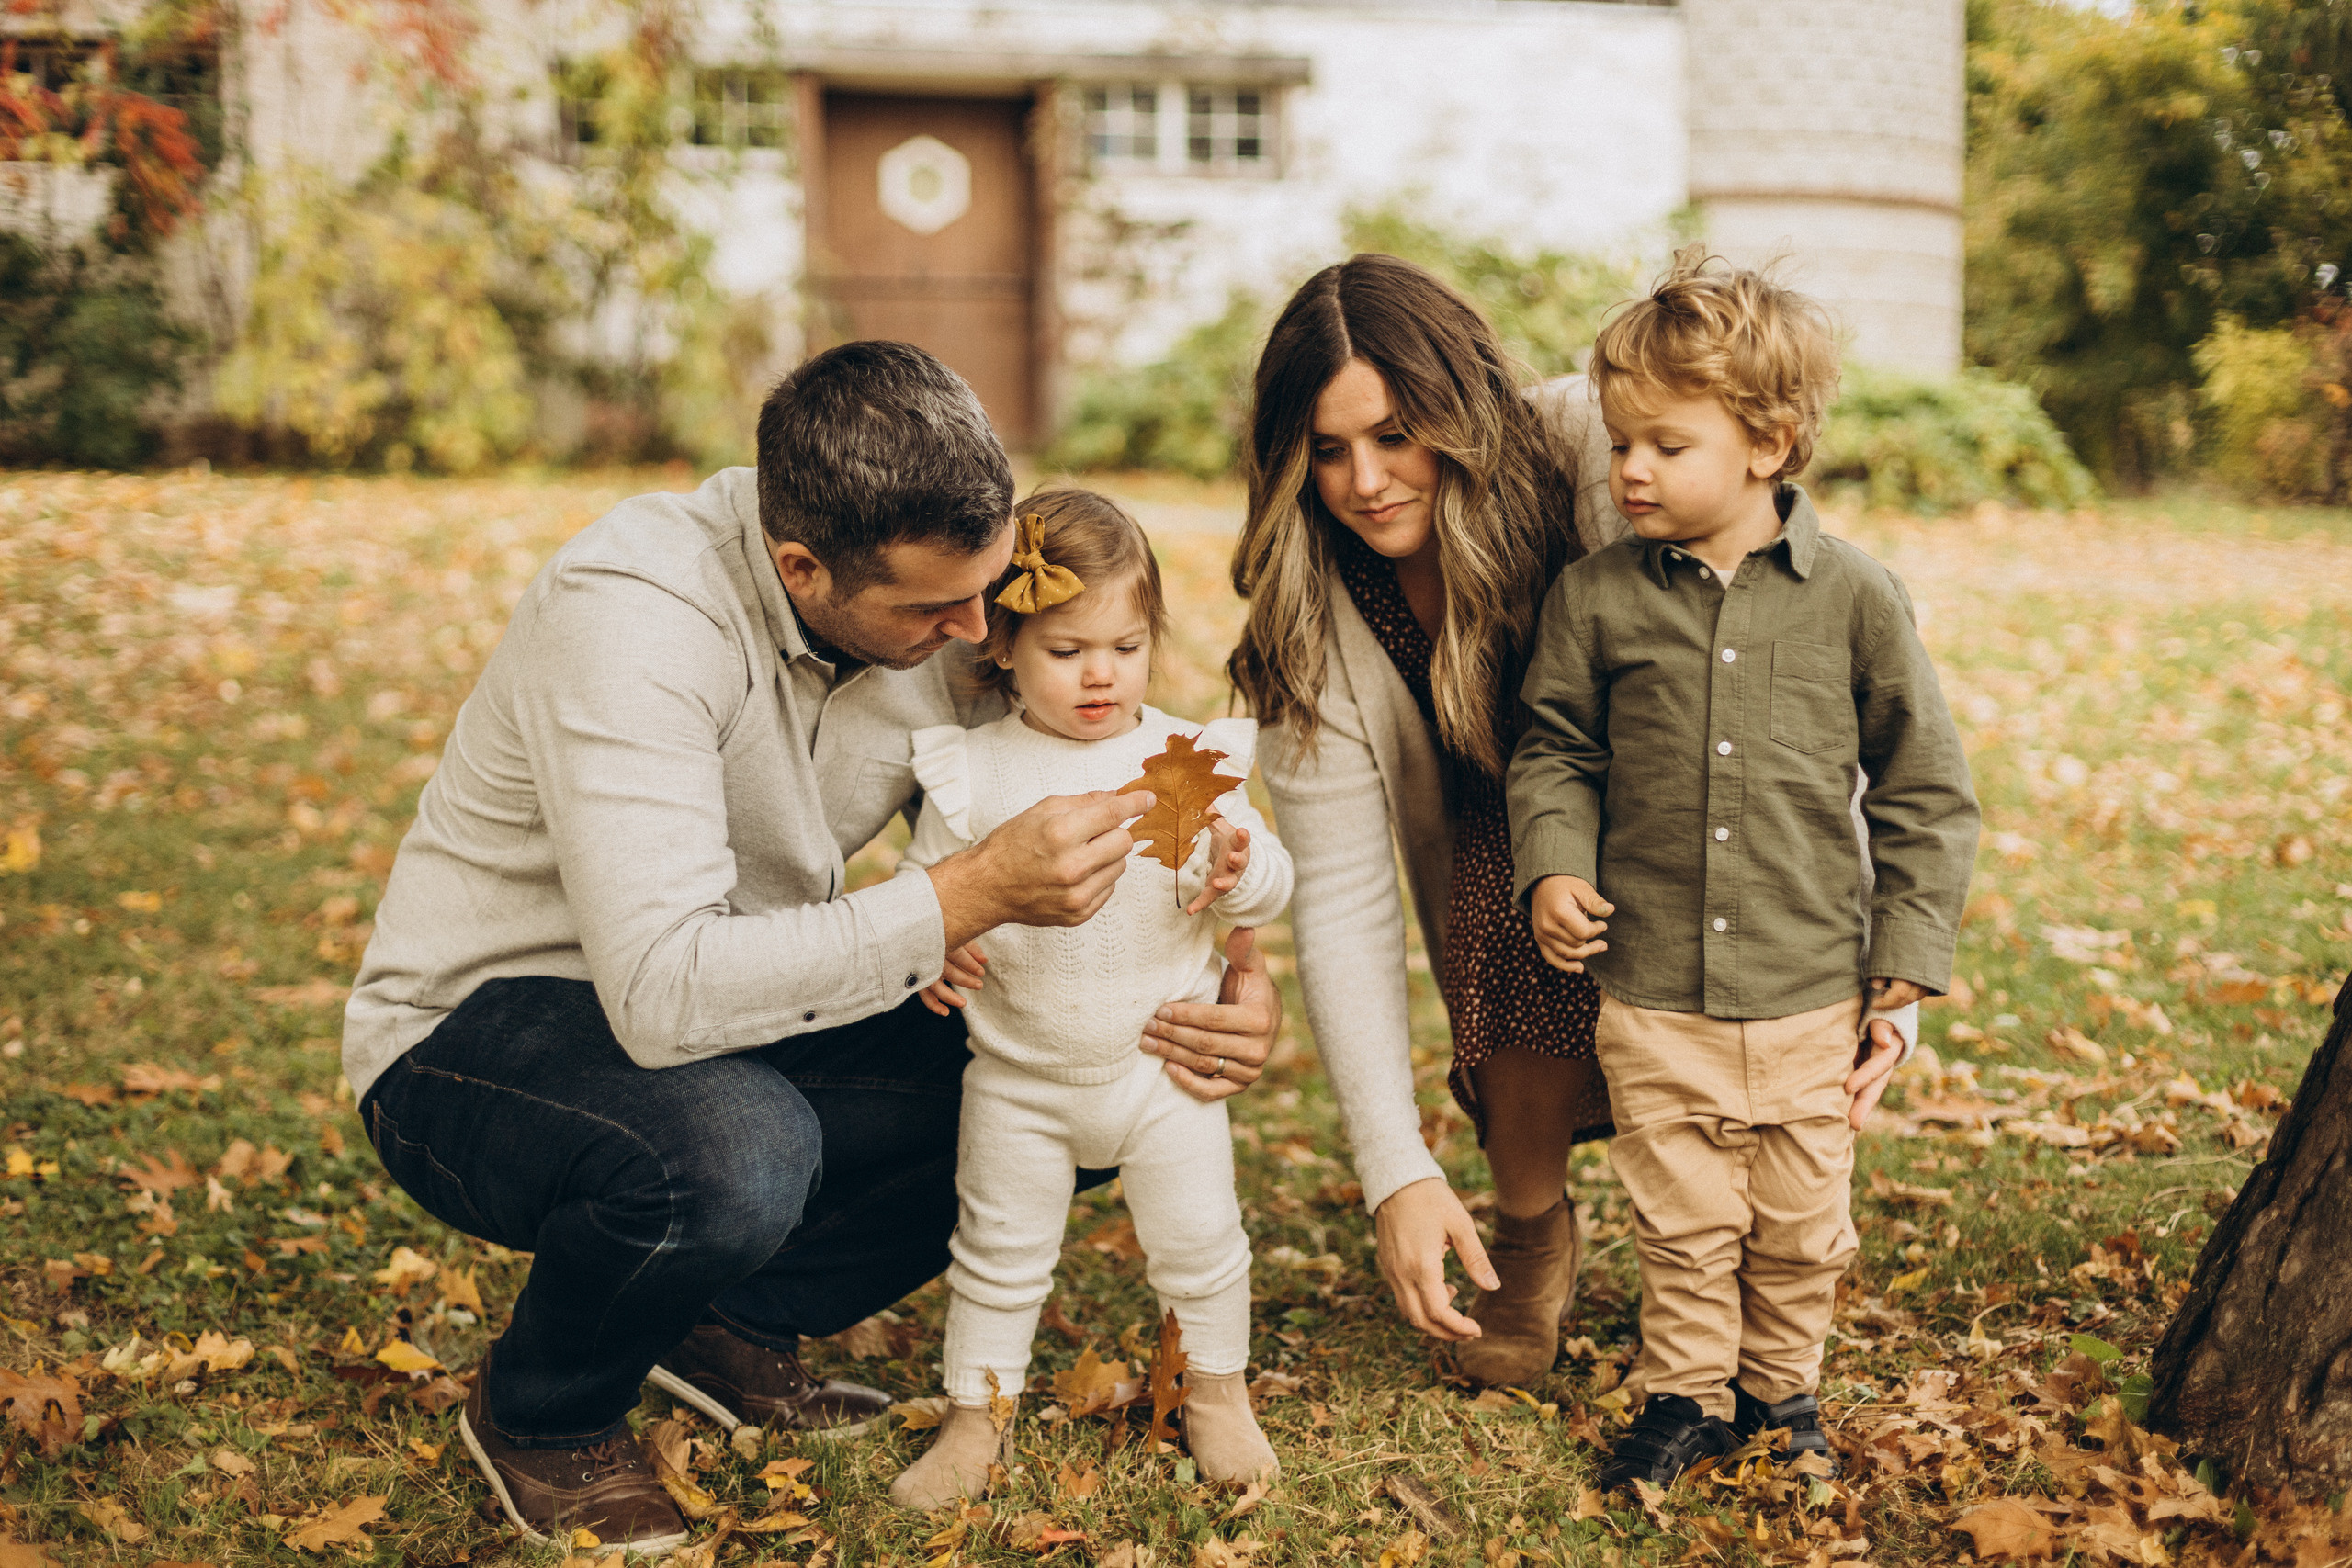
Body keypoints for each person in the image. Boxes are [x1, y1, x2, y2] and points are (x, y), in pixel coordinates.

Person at [342, 344, 1283, 1552]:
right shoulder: (633, 620)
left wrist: (1236, 971)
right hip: (482, 1035)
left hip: (745, 995)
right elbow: (663, 993)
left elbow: (1116, 763)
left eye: (990, 587)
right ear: (800, 566)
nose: (978, 629)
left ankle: (722, 1316)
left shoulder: (951, 586)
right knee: (740, 1146)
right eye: (938, 610)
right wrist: (956, 900)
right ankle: (546, 1413)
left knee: (1077, 1061)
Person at [1507, 250, 1979, 1489]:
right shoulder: (1594, 600)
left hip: (1811, 982)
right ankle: (1686, 1392)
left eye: (1664, 443)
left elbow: (1926, 788)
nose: (1629, 471)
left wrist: (1907, 958)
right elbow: (1554, 749)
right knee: (1683, 1215)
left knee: (1800, 1222)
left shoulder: (1859, 600)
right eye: (1620, 444)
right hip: (1652, 981)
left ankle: (1783, 1391)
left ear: (1769, 441)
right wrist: (1552, 865)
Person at [1232, 254, 1624, 1388]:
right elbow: (1345, 905)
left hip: (1658, 784)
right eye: (1329, 449)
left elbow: (1769, 649)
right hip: (1488, 817)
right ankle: (1531, 1227)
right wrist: (1395, 1170)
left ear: (1459, 404)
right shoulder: (1310, 606)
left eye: (1396, 434)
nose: (1365, 480)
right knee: (1509, 891)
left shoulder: (1588, 451)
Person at [886, 490, 1293, 1508]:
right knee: (996, 1251)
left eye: (1126, 643)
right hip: (1019, 1078)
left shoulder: (1182, 765)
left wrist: (1238, 867)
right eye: (1068, 650)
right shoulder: (976, 772)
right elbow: (918, 896)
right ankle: (977, 1417)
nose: (1101, 672)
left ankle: (1215, 1392)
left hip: (1162, 1069)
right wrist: (935, 945)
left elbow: (1272, 885)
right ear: (1004, 649)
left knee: (1200, 1241)